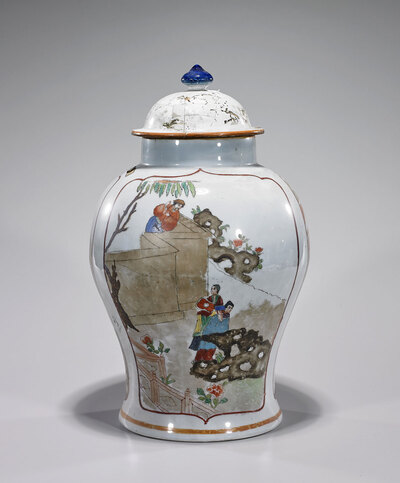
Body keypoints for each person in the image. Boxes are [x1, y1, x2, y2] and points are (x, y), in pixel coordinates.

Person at [189, 285, 223, 352]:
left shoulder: (219, 298)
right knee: (199, 328)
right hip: (204, 314)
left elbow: (221, 307)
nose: (212, 290)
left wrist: (217, 311)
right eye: (211, 288)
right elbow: (202, 305)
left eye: (214, 289)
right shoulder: (209, 298)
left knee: (206, 329)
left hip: (212, 315)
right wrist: (207, 307)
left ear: (217, 290)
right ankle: (195, 346)